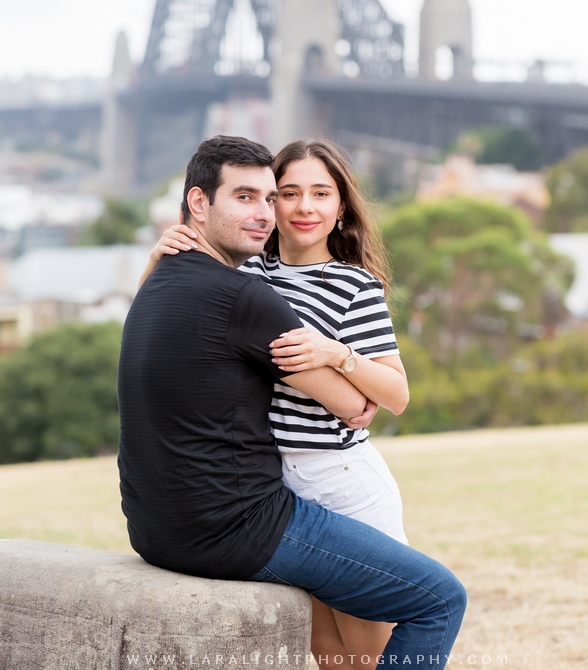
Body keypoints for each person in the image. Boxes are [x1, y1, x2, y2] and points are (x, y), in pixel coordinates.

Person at [119, 135, 466, 670]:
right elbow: (173, 309)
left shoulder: (353, 286)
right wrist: (157, 258)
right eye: (284, 193)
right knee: (328, 653)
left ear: (340, 208)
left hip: (338, 475)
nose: (302, 206)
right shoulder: (248, 271)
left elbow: (390, 396)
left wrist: (338, 355)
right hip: (280, 483)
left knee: (369, 648)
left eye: (321, 194)